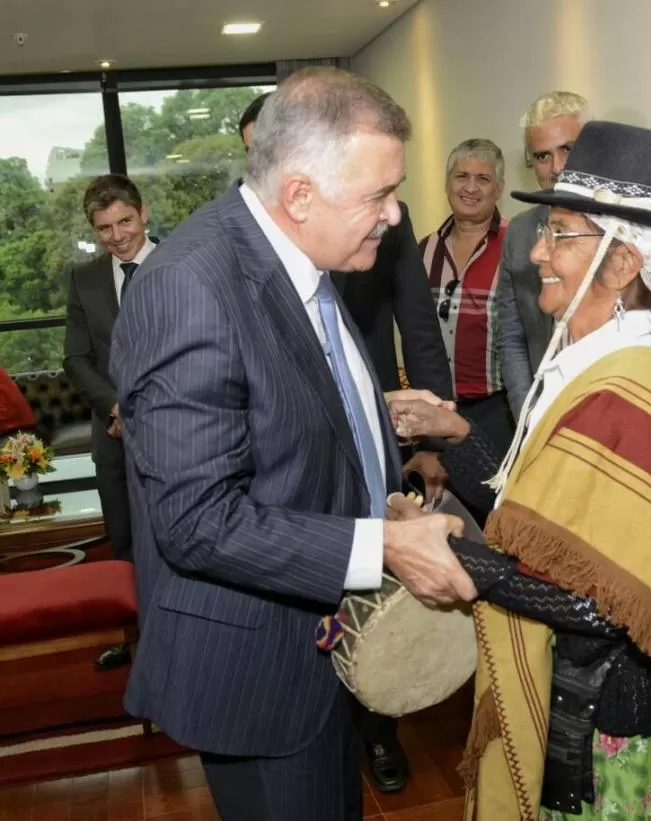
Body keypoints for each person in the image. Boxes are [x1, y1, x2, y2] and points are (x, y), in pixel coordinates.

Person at [110, 67, 476, 821]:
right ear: (301, 194)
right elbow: (198, 520)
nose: (394, 213)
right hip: (257, 671)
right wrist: (380, 545)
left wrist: (384, 476)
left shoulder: (302, 254)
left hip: (314, 648)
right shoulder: (190, 288)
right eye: (378, 195)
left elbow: (288, 414)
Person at [390, 122, 651, 820]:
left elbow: (604, 604)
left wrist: (456, 558)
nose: (535, 252)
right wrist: (458, 431)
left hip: (605, 715)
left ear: (623, 264)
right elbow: (540, 519)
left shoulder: (640, 389)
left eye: (559, 233)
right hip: (579, 692)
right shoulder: (595, 366)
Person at [332, 200, 454, 795]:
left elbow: (420, 327)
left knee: (379, 580)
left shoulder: (388, 221)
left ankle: (381, 729)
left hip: (377, 433)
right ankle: (329, 725)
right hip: (294, 447)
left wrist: (431, 440)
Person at [64, 174, 155, 671]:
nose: (118, 235)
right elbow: (76, 359)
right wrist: (116, 407)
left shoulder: (183, 262)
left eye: (125, 221)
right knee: (123, 541)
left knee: (179, 537)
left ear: (144, 213)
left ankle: (184, 639)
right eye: (104, 228)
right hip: (114, 433)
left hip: (178, 433)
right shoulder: (85, 279)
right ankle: (137, 642)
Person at [419, 138, 514, 455]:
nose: (470, 188)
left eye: (483, 179)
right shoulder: (423, 250)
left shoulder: (519, 247)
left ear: (498, 188)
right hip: (434, 411)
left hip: (498, 413)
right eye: (462, 176)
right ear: (447, 183)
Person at [497, 91, 587, 420]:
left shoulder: (622, 230)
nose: (558, 167)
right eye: (542, 156)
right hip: (542, 411)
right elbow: (511, 337)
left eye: (568, 149)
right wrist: (528, 416)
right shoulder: (520, 234)